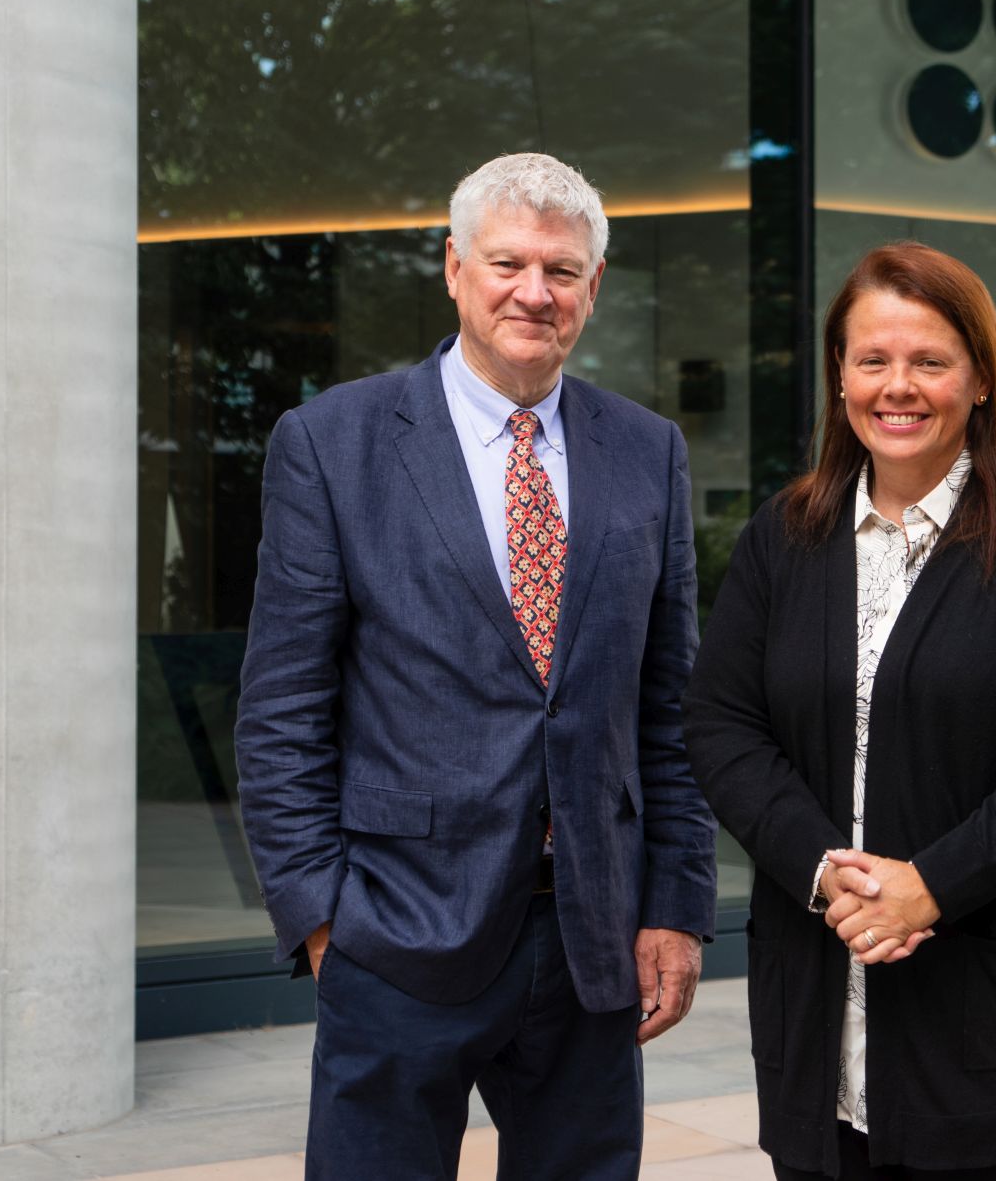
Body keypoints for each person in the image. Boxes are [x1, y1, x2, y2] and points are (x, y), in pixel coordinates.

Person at [233, 152, 718, 1180]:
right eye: (507, 263)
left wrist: (675, 904)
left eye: (563, 269)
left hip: (594, 937)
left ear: (593, 284)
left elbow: (669, 708)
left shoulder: (649, 453)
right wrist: (322, 916)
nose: (533, 292)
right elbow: (282, 706)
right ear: (453, 266)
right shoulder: (333, 442)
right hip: (398, 929)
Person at [684, 242, 996, 1180]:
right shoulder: (786, 536)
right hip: (820, 995)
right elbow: (721, 723)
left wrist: (931, 882)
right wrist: (827, 873)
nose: (899, 387)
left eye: (930, 361)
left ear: (979, 379)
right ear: (841, 377)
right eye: (873, 360)